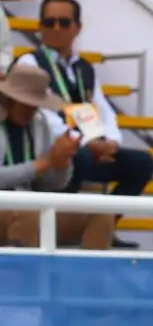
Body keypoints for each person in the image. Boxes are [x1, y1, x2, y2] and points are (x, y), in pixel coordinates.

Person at [32, 0, 153, 205]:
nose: (56, 28)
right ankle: (61, 228)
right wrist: (90, 144)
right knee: (79, 157)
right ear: (40, 27)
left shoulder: (84, 68)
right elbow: (44, 117)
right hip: (48, 149)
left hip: (87, 146)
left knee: (142, 162)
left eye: (63, 22)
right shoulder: (30, 63)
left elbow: (104, 110)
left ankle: (105, 226)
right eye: (48, 22)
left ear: (77, 28)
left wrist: (110, 143)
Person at [0, 59, 113, 248]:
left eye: (35, 104)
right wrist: (42, 164)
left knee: (101, 212)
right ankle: (29, 277)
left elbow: (52, 185)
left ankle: (89, 277)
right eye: (26, 103)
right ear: (10, 99)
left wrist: (62, 164)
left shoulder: (39, 123)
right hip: (12, 207)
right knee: (28, 214)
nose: (31, 109)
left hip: (28, 204)